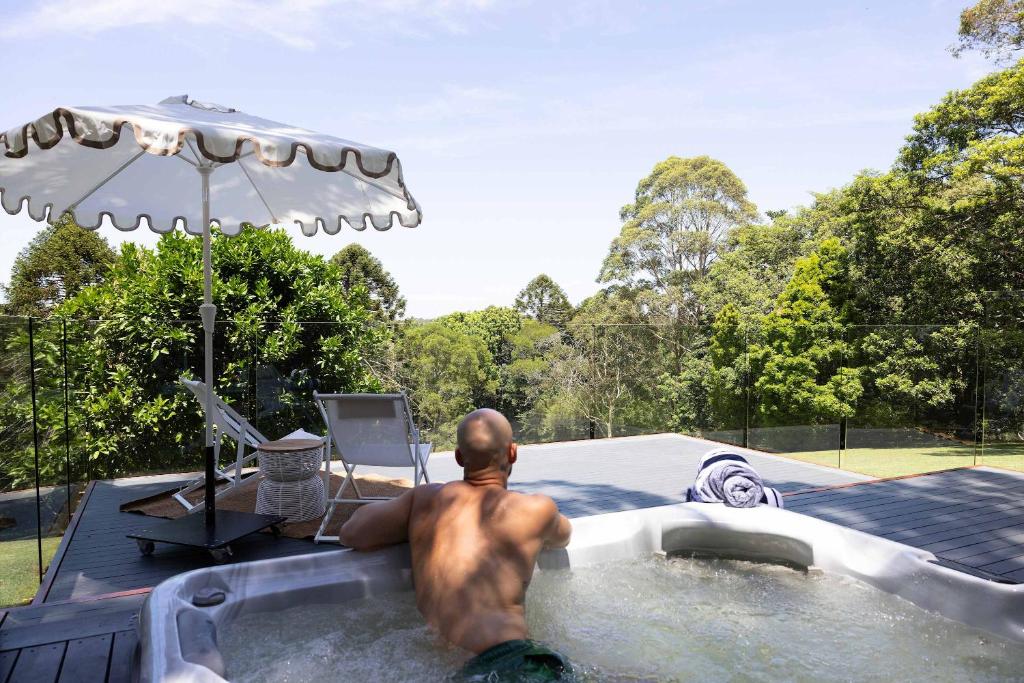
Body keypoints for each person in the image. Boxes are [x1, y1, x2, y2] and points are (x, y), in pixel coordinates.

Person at [339, 408, 574, 681]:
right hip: (516, 659)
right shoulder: (537, 510)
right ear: (513, 453)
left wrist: (415, 528)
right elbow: (564, 536)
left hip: (458, 668)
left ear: (459, 457)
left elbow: (352, 532)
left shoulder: (426, 500)